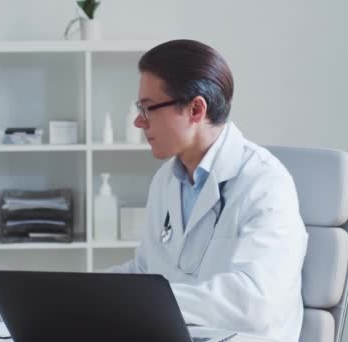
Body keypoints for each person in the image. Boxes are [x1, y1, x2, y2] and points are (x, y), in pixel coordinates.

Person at [108, 39, 308, 341]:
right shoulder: (166, 180)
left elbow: (256, 302)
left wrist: (147, 304)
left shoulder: (265, 183)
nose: (138, 121)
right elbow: (145, 269)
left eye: (148, 108)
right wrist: (75, 291)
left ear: (195, 109)